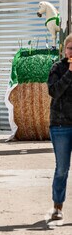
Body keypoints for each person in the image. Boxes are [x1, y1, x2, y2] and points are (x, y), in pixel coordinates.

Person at [47, 34, 72, 221]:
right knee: (62, 168)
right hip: (61, 125)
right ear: (65, 50)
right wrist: (70, 73)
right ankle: (57, 206)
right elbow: (54, 91)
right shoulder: (57, 68)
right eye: (70, 48)